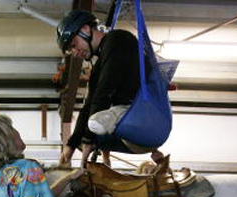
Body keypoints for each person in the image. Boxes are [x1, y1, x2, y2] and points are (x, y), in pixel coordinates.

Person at [56, 10, 164, 167]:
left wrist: (88, 139)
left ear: (86, 29)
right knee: (85, 132)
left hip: (146, 118)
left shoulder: (117, 40)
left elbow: (104, 92)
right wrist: (71, 145)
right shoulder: (99, 64)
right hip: (134, 131)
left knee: (93, 124)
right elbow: (90, 104)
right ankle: (97, 150)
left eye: (73, 44)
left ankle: (96, 143)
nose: (74, 52)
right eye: (70, 50)